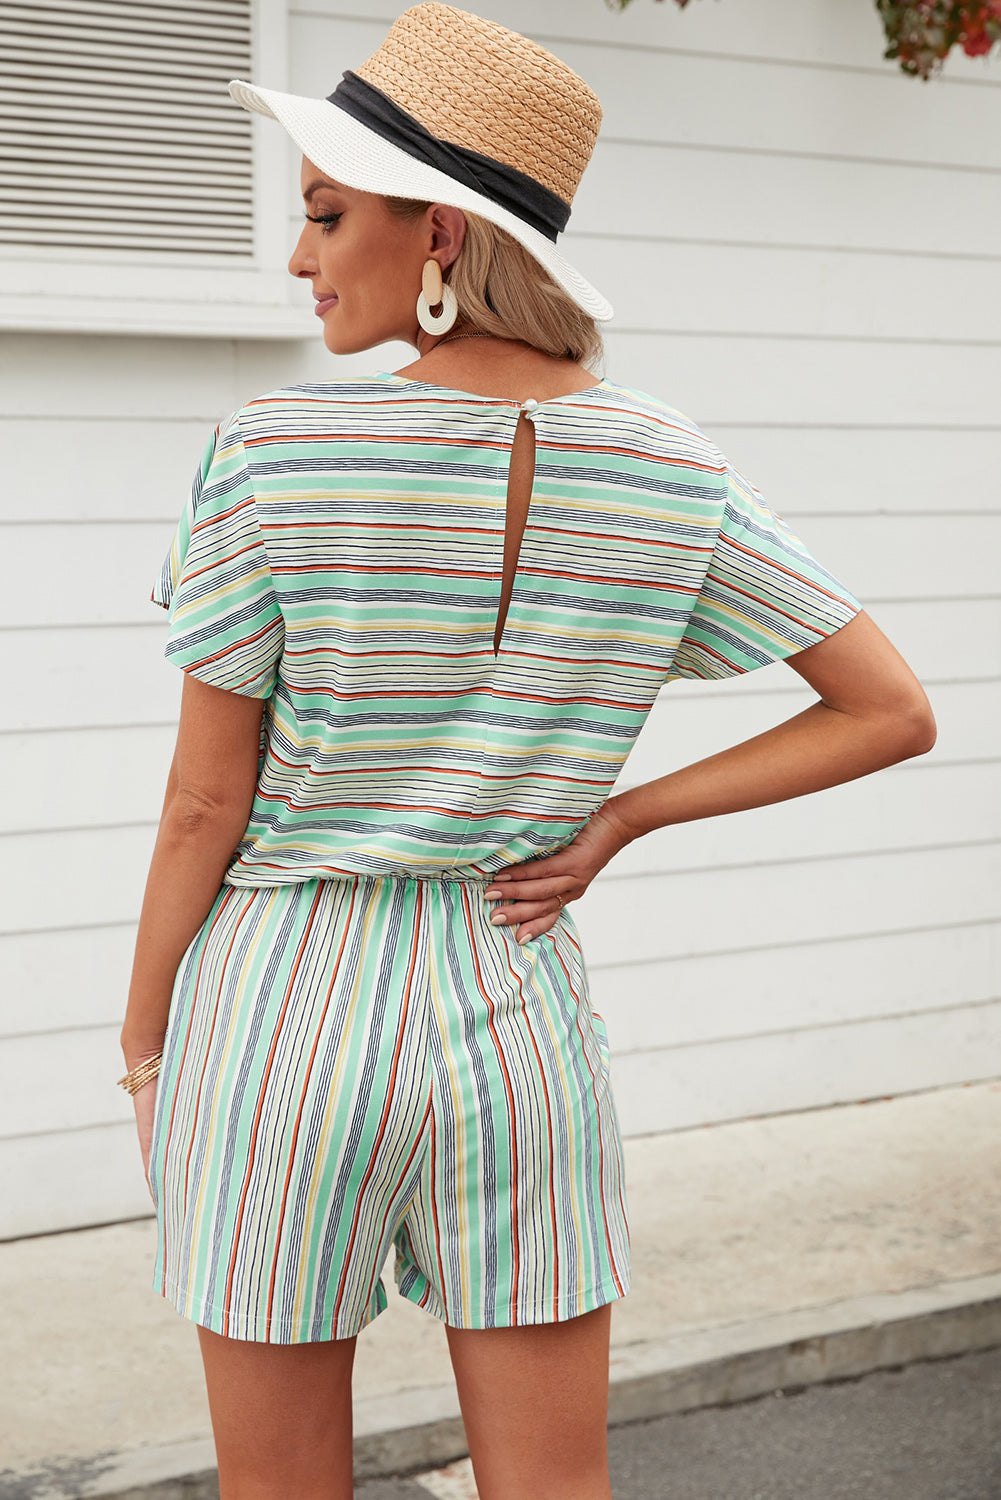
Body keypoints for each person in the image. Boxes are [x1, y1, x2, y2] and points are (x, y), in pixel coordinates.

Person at [118, 5, 936, 1497]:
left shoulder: (270, 452)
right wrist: (618, 818)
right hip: (511, 1001)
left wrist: (144, 1036)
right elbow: (889, 708)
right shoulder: (670, 463)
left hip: (277, 1001)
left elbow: (200, 806)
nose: (298, 258)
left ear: (437, 234)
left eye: (325, 215)